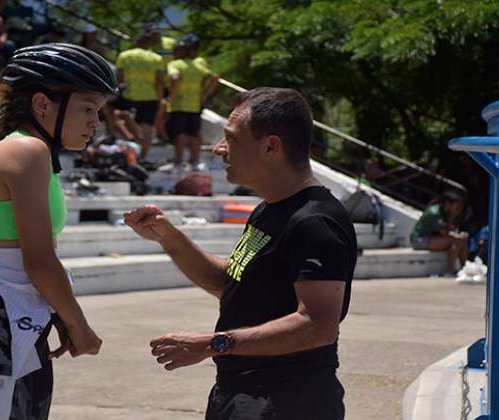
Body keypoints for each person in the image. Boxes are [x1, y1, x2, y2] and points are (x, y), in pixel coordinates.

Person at [124, 87, 357, 420]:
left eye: (230, 139)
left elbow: (318, 324)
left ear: (270, 147)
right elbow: (232, 282)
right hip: (241, 392)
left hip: (288, 401)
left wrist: (212, 344)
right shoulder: (269, 210)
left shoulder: (316, 222)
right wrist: (169, 238)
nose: (219, 149)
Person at [0, 43, 118, 419]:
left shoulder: (34, 154)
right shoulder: (26, 152)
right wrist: (78, 326)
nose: (95, 123)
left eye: (97, 112)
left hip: (11, 326)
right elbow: (39, 261)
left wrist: (55, 316)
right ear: (42, 104)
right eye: (87, 108)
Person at [166, 37, 218, 171]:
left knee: (180, 133)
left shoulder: (175, 64)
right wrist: (204, 94)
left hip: (179, 104)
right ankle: (194, 161)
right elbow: (215, 78)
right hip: (195, 105)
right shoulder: (197, 65)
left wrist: (173, 94)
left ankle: (178, 161)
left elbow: (174, 77)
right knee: (194, 133)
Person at [114, 30, 164, 160]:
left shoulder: (124, 55)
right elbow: (159, 81)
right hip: (150, 97)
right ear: (149, 44)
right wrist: (159, 99)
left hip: (129, 95)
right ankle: (143, 156)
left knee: (117, 115)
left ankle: (131, 147)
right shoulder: (157, 58)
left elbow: (119, 77)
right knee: (147, 127)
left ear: (136, 42)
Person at [410, 190, 470, 274]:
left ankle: (465, 269)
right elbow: (444, 233)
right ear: (447, 203)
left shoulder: (445, 212)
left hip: (433, 238)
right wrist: (452, 218)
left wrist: (452, 218)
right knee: (456, 241)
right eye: (455, 205)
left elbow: (448, 229)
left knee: (462, 241)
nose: (457, 208)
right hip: (420, 239)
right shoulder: (434, 213)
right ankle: (450, 271)